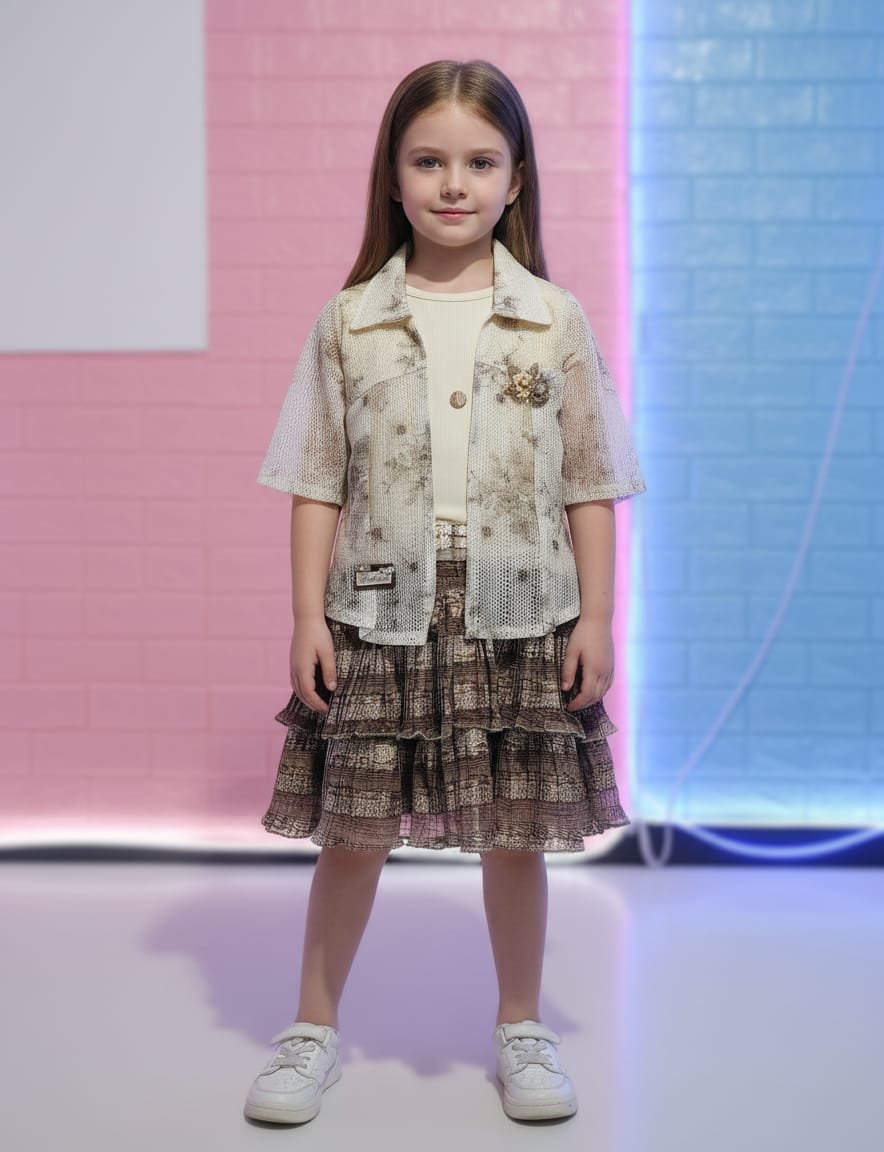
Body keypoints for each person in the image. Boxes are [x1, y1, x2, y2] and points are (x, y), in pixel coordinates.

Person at [244, 58, 645, 1127]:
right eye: (428, 161)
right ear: (393, 175)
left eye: (479, 162)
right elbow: (316, 481)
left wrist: (597, 617)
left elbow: (591, 483)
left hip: (521, 608)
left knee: (515, 832)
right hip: (380, 610)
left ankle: (521, 1026)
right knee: (354, 831)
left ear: (516, 180)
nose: (453, 184)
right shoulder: (349, 322)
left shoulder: (552, 319)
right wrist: (306, 617)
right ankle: (311, 1031)